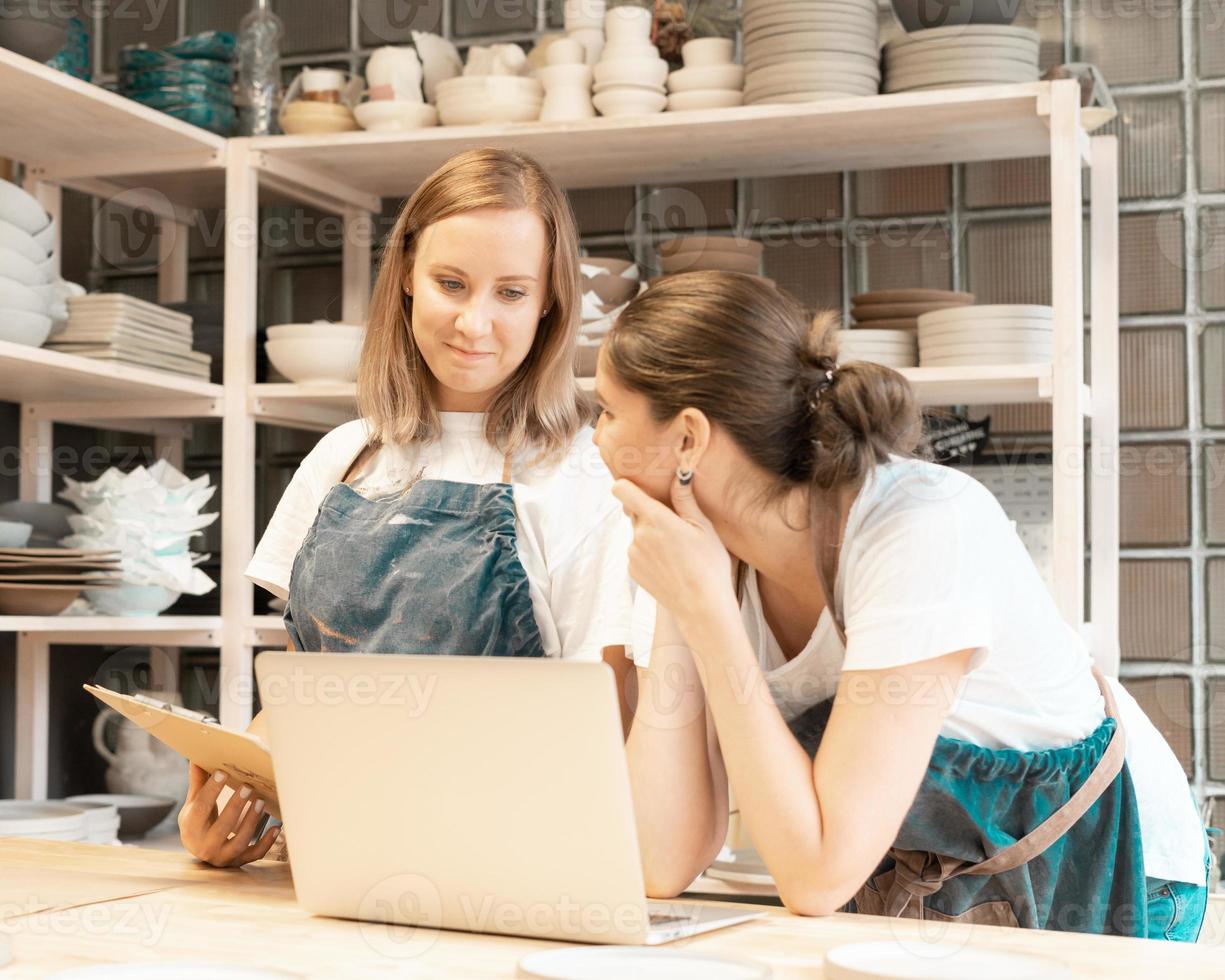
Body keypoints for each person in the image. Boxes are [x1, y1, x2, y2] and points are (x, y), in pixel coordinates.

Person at [593, 270, 1209, 939]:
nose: (593, 439)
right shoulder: (690, 556)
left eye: (606, 412)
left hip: (1117, 878)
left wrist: (709, 615)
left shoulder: (918, 525)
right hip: (931, 897)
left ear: (687, 439)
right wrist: (687, 604)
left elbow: (817, 876)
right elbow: (660, 858)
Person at [178, 148, 634, 867]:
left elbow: (604, 720)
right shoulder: (344, 456)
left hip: (506, 863)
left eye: (510, 293)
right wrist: (239, 799)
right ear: (406, 285)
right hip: (334, 859)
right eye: (451, 283)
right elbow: (303, 699)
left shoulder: (587, 472)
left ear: (549, 300)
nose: (474, 323)